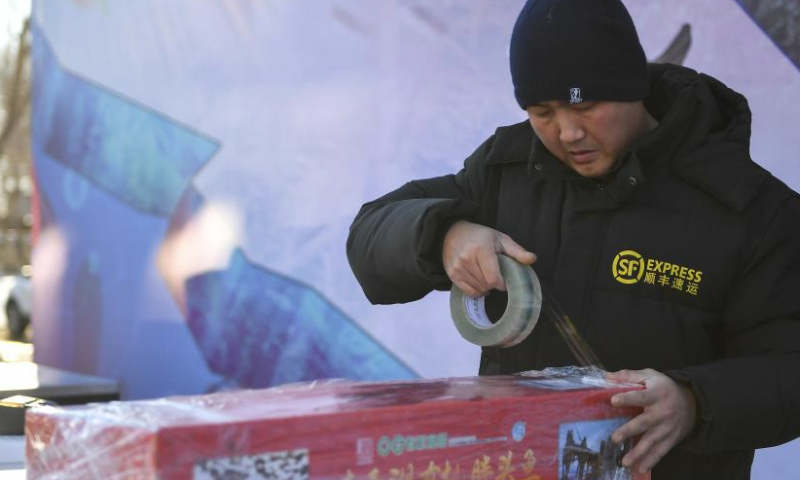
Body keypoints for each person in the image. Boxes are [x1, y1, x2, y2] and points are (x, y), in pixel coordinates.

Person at [346, 0, 800, 478]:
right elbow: (369, 236)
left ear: (632, 86)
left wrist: (692, 400)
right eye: (542, 112)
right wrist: (444, 234)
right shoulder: (508, 171)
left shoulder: (752, 210)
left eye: (585, 106)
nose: (567, 132)